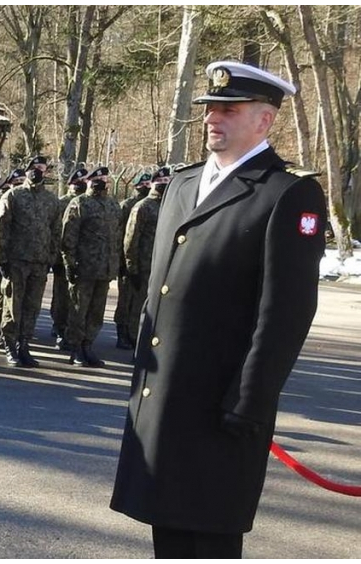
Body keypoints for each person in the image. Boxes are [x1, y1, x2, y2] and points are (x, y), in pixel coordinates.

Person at [110, 61, 327, 559]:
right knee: (166, 533)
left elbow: (285, 313)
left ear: (264, 120)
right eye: (210, 108)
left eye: (229, 109)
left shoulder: (288, 193)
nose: (213, 118)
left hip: (222, 407)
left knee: (208, 537)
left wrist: (248, 401)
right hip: (162, 400)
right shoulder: (182, 185)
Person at [0, 156, 61, 367]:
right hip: (16, 260)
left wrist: (51, 256)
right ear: (27, 169)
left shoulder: (51, 201)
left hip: (39, 262)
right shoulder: (14, 195)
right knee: (13, 305)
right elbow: (1, 228)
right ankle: (10, 345)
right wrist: (0, 259)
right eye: (34, 168)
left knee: (32, 307)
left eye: (42, 168)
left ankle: (24, 345)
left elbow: (56, 231)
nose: (38, 171)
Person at [60, 166, 121, 367]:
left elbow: (117, 236)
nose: (103, 180)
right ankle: (76, 348)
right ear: (90, 181)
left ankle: (88, 345)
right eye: (99, 178)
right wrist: (70, 263)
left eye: (105, 177)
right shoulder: (80, 203)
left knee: (96, 311)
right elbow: (69, 237)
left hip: (104, 268)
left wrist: (116, 263)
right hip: (84, 266)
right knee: (79, 309)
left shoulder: (112, 205)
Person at [122, 167, 170, 354]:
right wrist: (131, 268)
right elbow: (131, 239)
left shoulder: (168, 205)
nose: (165, 185)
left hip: (161, 266)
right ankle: (136, 344)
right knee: (140, 308)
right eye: (162, 182)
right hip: (143, 266)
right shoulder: (142, 206)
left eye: (168, 181)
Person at [0, 168, 25, 350]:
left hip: (17, 258)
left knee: (12, 299)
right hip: (2, 257)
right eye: (16, 183)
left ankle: (15, 336)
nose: (18, 186)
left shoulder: (24, 201)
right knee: (0, 297)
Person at [49, 167, 87, 349]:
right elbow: (56, 233)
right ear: (70, 184)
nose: (79, 186)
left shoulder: (87, 202)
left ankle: (72, 331)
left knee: (77, 299)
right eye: (76, 183)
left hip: (83, 259)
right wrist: (56, 260)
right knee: (62, 297)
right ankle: (59, 327)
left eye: (82, 182)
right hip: (62, 259)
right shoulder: (61, 203)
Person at [113, 172, 152, 350]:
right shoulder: (128, 205)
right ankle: (122, 333)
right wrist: (122, 263)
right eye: (143, 184)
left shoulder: (154, 205)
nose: (146, 186)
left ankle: (133, 333)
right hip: (128, 262)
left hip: (145, 262)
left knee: (139, 302)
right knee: (126, 301)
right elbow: (122, 235)